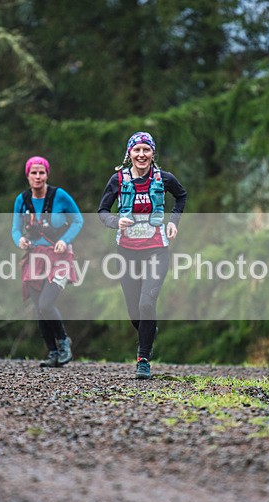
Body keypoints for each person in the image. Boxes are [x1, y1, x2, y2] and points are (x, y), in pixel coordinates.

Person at [98, 132, 187, 379]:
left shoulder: (164, 178)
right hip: (127, 252)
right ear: (129, 154)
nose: (141, 154)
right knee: (135, 312)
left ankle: (143, 360)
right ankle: (149, 329)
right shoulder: (118, 180)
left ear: (152, 154)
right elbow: (102, 211)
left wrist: (173, 222)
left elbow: (181, 196)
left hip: (157, 249)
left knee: (147, 303)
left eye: (146, 150)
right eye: (136, 150)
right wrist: (116, 221)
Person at [12, 156, 83, 368]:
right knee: (38, 307)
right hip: (34, 257)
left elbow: (78, 220)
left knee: (46, 303)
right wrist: (20, 241)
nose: (37, 176)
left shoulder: (59, 196)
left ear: (47, 174)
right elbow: (15, 229)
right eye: (33, 172)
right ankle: (52, 353)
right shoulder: (22, 200)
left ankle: (64, 343)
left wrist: (64, 240)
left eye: (41, 172)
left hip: (59, 257)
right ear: (27, 175)